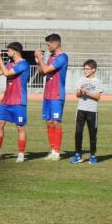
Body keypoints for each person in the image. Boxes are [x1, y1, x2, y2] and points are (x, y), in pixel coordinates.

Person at [0, 42, 30, 163]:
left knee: (20, 127)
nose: (7, 53)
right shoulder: (10, 63)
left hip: (18, 101)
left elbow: (6, 73)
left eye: (9, 51)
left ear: (14, 51)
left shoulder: (24, 64)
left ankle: (21, 153)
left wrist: (0, 57)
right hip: (6, 100)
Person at [35, 33, 69, 161]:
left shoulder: (63, 57)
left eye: (48, 45)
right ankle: (52, 149)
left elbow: (48, 70)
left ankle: (57, 151)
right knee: (49, 122)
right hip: (47, 94)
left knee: (56, 122)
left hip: (57, 94)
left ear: (55, 44)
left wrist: (41, 59)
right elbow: (42, 72)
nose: (47, 47)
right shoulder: (51, 57)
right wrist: (39, 62)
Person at [70, 60, 103, 165]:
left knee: (92, 134)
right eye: (84, 68)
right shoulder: (81, 80)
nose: (85, 71)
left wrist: (87, 92)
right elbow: (77, 95)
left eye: (87, 69)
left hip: (92, 111)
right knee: (78, 133)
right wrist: (80, 91)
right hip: (81, 110)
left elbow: (98, 97)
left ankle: (92, 156)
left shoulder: (98, 81)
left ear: (93, 69)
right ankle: (78, 155)